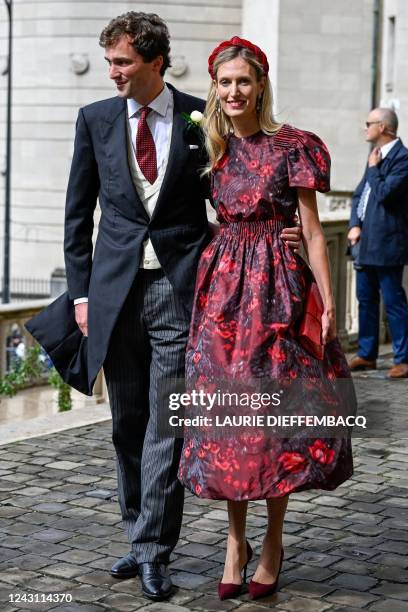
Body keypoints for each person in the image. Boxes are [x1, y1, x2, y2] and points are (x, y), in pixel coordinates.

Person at [26, 13, 302, 602]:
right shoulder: (94, 120)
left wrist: (284, 229)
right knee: (126, 425)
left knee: (167, 426)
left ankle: (155, 551)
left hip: (182, 292)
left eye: (123, 62)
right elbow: (78, 218)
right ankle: (136, 533)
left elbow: (240, 188)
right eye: (109, 62)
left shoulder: (200, 118)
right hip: (112, 297)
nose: (113, 73)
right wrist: (80, 296)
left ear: (155, 62)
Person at [178, 37, 354, 601]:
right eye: (224, 82)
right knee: (228, 420)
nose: (233, 92)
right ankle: (235, 542)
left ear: (260, 87)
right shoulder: (209, 148)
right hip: (221, 299)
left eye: (243, 82)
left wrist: (326, 303)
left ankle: (272, 541)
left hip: (278, 294)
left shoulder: (292, 146)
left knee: (273, 423)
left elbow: (312, 232)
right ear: (215, 88)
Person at [348, 108, 408, 378]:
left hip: (388, 244)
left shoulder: (403, 159)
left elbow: (384, 193)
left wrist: (374, 169)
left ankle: (404, 359)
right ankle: (366, 354)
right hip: (365, 242)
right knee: (366, 300)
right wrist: (354, 225)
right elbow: (359, 194)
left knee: (394, 302)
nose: (365, 128)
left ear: (383, 127)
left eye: (368, 123)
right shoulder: (375, 156)